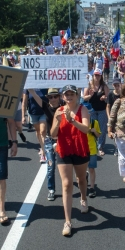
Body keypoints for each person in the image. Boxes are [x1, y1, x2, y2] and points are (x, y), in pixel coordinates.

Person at [50, 85, 90, 237]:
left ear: (76, 95)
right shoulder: (58, 111)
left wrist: (72, 120)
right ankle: (68, 221)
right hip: (64, 149)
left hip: (79, 148)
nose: (69, 97)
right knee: (66, 184)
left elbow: (86, 129)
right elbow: (53, 134)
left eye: (71, 94)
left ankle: (84, 198)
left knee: (80, 179)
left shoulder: (83, 109)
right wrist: (58, 121)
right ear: (63, 97)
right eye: (66, 94)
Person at [27, 88, 64, 201]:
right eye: (50, 97)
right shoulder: (45, 106)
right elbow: (33, 94)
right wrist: (30, 87)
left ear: (59, 96)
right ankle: (51, 189)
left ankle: (80, 176)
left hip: (63, 141)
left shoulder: (64, 107)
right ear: (47, 98)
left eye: (55, 96)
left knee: (66, 166)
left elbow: (75, 99)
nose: (53, 99)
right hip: (49, 141)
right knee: (51, 166)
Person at [82, 69, 109, 156]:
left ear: (101, 76)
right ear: (93, 76)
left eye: (98, 75)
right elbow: (84, 98)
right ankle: (93, 144)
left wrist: (104, 97)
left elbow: (109, 97)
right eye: (95, 75)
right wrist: (90, 95)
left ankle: (100, 146)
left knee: (102, 129)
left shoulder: (103, 85)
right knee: (92, 128)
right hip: (91, 110)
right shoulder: (89, 85)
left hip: (101, 110)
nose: (97, 77)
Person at [22, 88, 49, 163]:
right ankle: (42, 146)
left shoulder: (45, 86)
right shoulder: (28, 88)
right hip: (33, 113)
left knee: (43, 131)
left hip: (44, 112)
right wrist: (23, 116)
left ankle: (43, 153)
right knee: (38, 131)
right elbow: (24, 102)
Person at [85, 105, 101, 197]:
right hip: (82, 149)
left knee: (91, 169)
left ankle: (92, 188)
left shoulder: (94, 122)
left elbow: (99, 135)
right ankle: (84, 181)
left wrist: (94, 131)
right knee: (81, 171)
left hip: (92, 149)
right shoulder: (79, 123)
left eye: (89, 112)